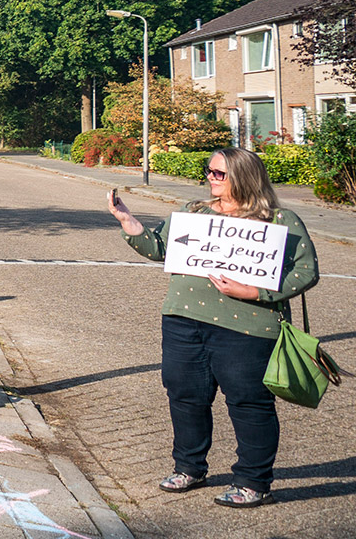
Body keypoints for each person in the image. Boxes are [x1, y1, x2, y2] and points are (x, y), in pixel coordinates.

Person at [107, 148, 318, 508]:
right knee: (184, 395)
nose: (210, 177)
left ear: (244, 176)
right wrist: (127, 219)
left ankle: (253, 481)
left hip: (248, 329)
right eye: (209, 170)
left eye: (219, 173)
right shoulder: (195, 213)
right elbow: (159, 248)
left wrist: (257, 292)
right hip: (183, 320)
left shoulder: (279, 220)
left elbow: (306, 271)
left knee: (249, 403)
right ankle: (189, 467)